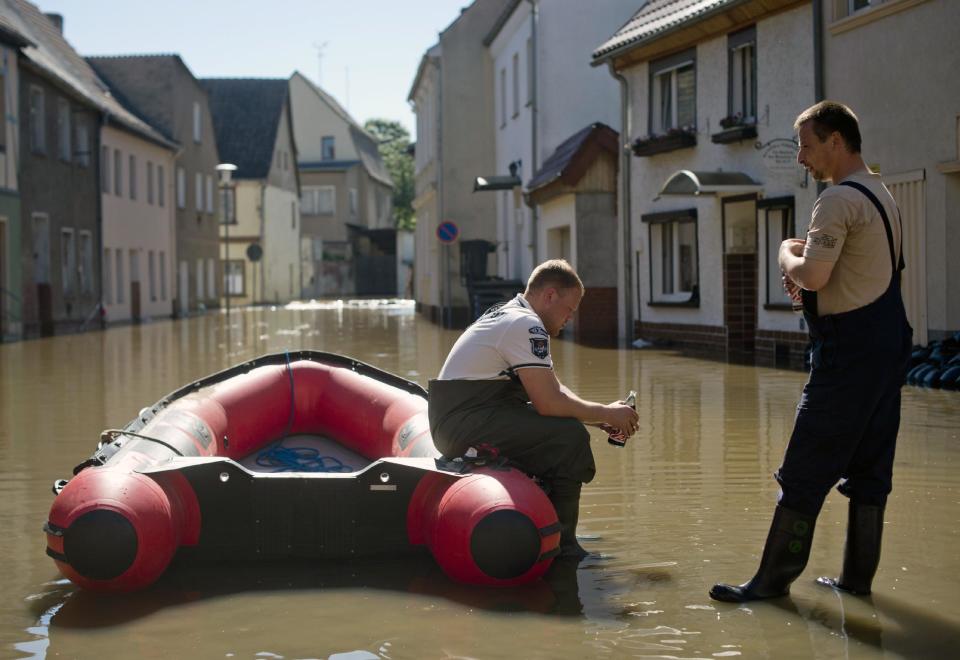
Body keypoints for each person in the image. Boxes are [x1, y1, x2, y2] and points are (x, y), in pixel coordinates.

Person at [710, 101, 912, 602]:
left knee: (803, 470)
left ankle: (770, 585)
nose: (801, 155)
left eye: (806, 144)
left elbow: (814, 277)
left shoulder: (839, 198)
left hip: (848, 354)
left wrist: (784, 251)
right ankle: (856, 584)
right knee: (870, 473)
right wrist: (812, 261)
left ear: (836, 142)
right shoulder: (882, 192)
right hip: (888, 345)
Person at [428, 259, 639, 559]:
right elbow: (549, 403)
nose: (570, 319)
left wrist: (601, 416)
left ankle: (542, 523)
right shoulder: (526, 324)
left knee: (564, 429)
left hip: (460, 419)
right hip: (464, 423)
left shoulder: (512, 315)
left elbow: (553, 390)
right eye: (569, 310)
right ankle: (564, 546)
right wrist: (606, 413)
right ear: (550, 295)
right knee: (569, 438)